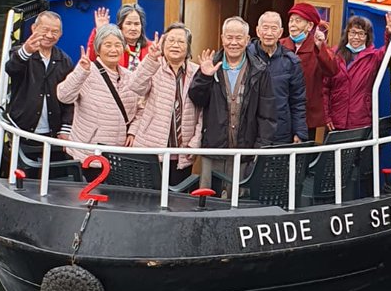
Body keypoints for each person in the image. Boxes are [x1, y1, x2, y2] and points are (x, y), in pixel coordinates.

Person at [125, 22, 203, 185]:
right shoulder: (153, 67)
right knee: (149, 197)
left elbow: (203, 112)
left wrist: (195, 142)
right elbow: (135, 86)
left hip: (182, 151)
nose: (175, 45)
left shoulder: (197, 72)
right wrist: (150, 59)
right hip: (151, 147)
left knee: (177, 200)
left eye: (181, 42)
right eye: (171, 40)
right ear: (163, 44)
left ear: (188, 47)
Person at [189, 16, 276, 151]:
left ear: (247, 40)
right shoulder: (210, 66)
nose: (233, 43)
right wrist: (205, 77)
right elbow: (197, 100)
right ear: (222, 38)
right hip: (214, 148)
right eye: (229, 38)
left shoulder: (259, 70)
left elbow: (268, 115)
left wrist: (260, 149)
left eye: (239, 38)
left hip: (247, 151)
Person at [56, 25, 140, 160]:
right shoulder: (86, 72)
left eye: (118, 45)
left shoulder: (129, 76)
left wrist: (133, 132)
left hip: (118, 154)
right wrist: (81, 72)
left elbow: (140, 109)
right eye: (108, 45)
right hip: (88, 153)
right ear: (98, 49)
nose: (113, 50)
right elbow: (64, 96)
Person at [323, 12, 391, 131]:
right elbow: (324, 88)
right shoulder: (335, 54)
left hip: (360, 121)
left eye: (361, 34)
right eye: (353, 32)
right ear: (347, 34)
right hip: (336, 122)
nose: (356, 37)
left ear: (367, 37)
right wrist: (326, 117)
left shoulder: (373, 57)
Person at [5, 10, 74, 140]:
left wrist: (66, 128)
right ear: (34, 28)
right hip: (21, 129)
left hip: (54, 132)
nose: (49, 35)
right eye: (45, 30)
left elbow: (70, 97)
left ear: (61, 34)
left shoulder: (65, 61)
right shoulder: (21, 54)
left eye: (55, 32)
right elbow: (11, 69)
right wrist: (27, 51)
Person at [249, 10, 308, 144]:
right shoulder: (247, 56)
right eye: (265, 28)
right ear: (258, 31)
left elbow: (297, 100)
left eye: (274, 29)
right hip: (252, 131)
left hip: (281, 130)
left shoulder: (291, 61)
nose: (269, 33)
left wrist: (299, 131)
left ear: (280, 33)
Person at [280, 2, 338, 137]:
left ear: (310, 26)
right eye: (291, 20)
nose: (292, 24)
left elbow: (332, 70)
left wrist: (320, 47)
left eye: (298, 21)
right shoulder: (281, 45)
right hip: (281, 114)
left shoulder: (317, 47)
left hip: (306, 115)